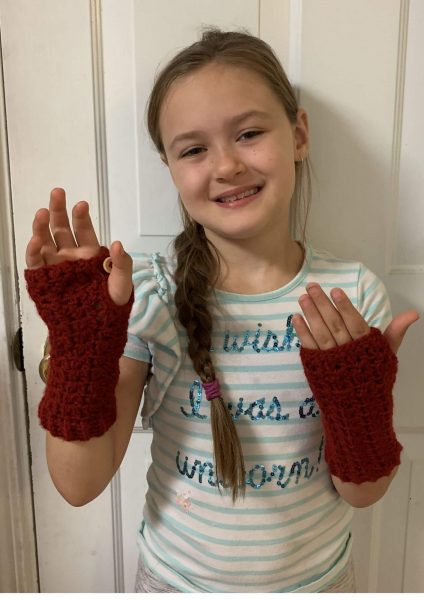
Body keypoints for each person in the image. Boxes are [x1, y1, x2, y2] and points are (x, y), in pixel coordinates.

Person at [24, 28, 419, 593]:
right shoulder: (148, 296)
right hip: (175, 583)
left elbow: (365, 492)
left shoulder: (349, 296)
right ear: (170, 168)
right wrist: (80, 349)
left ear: (299, 135)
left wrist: (357, 406)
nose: (227, 165)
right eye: (193, 149)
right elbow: (78, 485)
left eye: (250, 133)